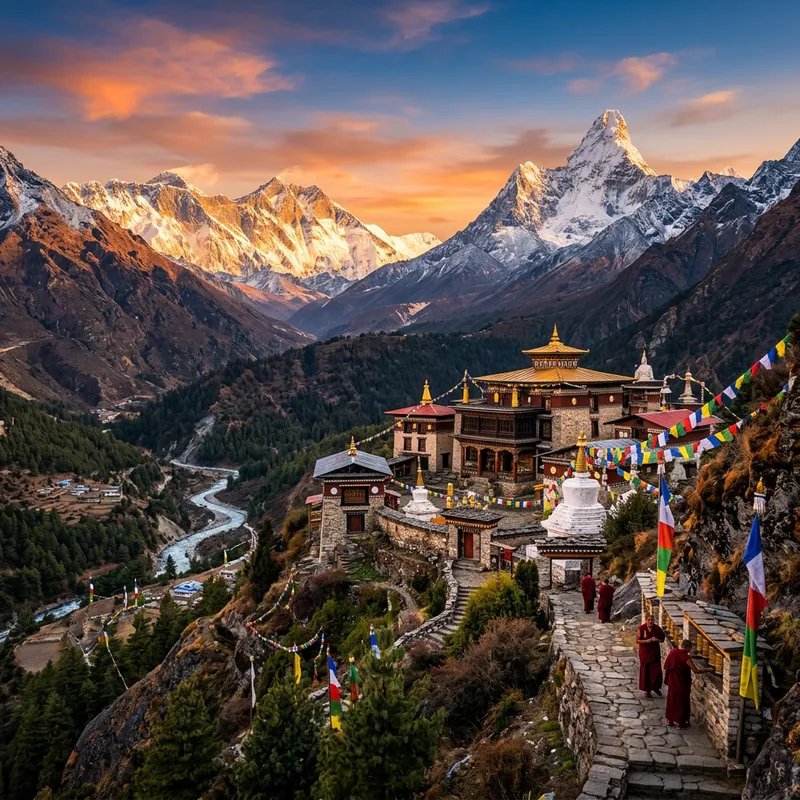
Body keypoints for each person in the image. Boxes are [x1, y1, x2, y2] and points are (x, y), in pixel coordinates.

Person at [663, 639, 715, 727]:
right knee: (681, 702)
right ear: (687, 647)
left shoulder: (673, 652)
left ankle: (669, 720)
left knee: (672, 701)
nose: (690, 650)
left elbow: (666, 666)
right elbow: (696, 670)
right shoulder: (685, 657)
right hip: (681, 683)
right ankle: (679, 722)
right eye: (690, 648)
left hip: (673, 682)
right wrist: (708, 669)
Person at [636, 613, 666, 697]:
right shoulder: (641, 628)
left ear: (654, 620)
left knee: (656, 672)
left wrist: (657, 640)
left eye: (652, 620)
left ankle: (655, 687)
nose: (650, 621)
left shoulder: (657, 629)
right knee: (646, 673)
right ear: (646, 620)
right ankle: (647, 691)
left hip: (655, 654)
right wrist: (647, 641)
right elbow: (637, 640)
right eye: (648, 620)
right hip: (645, 654)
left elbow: (662, 640)